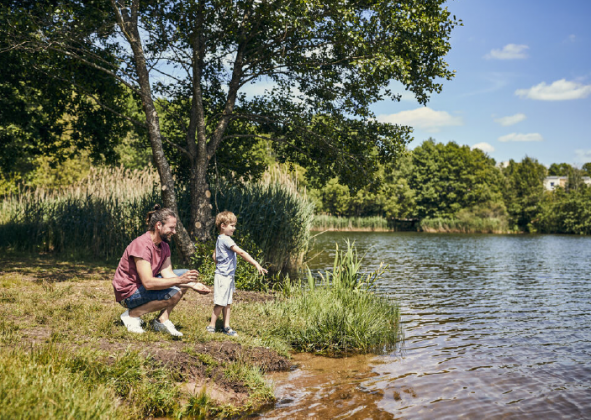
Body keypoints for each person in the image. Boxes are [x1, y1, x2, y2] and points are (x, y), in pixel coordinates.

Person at [113, 205, 210, 336]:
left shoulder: (164, 246)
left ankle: (162, 320)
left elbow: (168, 274)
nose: (174, 232)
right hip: (129, 293)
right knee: (174, 293)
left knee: (187, 274)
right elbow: (148, 283)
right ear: (158, 225)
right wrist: (181, 281)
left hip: (142, 287)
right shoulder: (142, 245)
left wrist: (192, 284)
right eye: (171, 228)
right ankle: (131, 315)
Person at [207, 211, 268, 336]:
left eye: (234, 225)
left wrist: (220, 263)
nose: (234, 228)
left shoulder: (220, 238)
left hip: (228, 276)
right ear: (223, 225)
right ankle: (211, 325)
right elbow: (241, 252)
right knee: (220, 302)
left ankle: (226, 326)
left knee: (228, 302)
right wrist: (256, 264)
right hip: (223, 276)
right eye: (232, 225)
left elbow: (214, 256)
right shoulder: (226, 239)